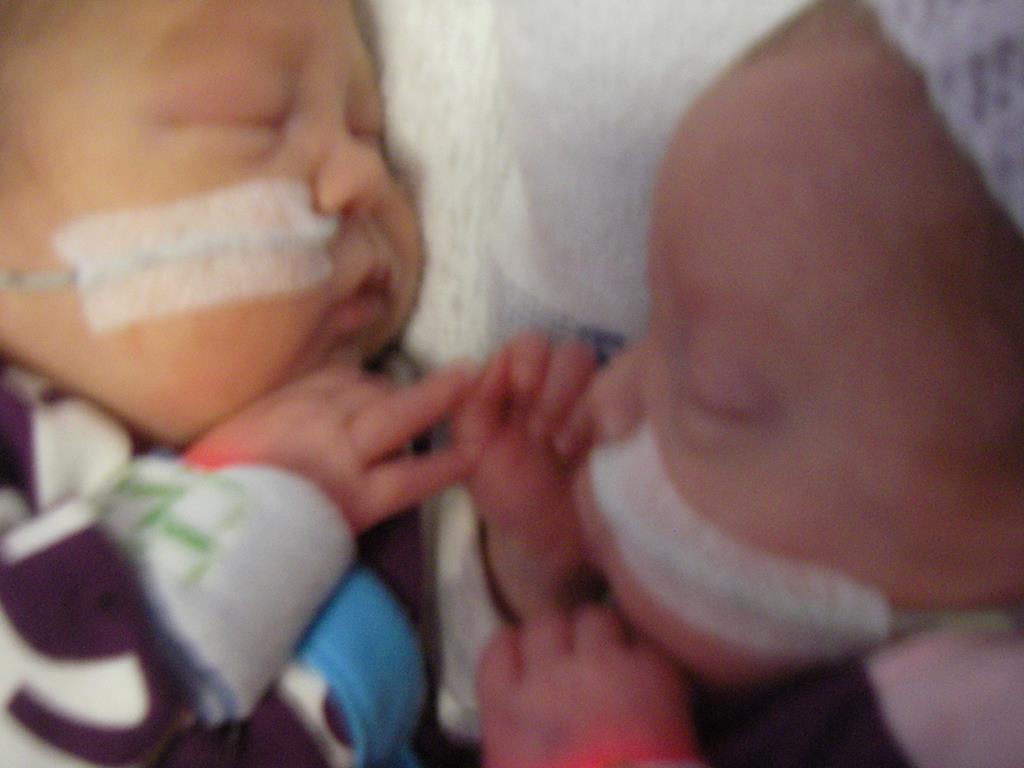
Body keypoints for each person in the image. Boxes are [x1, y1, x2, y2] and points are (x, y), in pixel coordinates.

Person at [453, 0, 1024, 766]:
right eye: (652, 323)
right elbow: (460, 727)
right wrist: (542, 590)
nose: (611, 396)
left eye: (714, 392)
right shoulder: (756, 636)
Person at [0, 1, 476, 766]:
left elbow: (469, 708)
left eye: (370, 133)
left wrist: (526, 574)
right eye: (254, 123)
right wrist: (238, 512)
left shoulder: (390, 419)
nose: (366, 178)